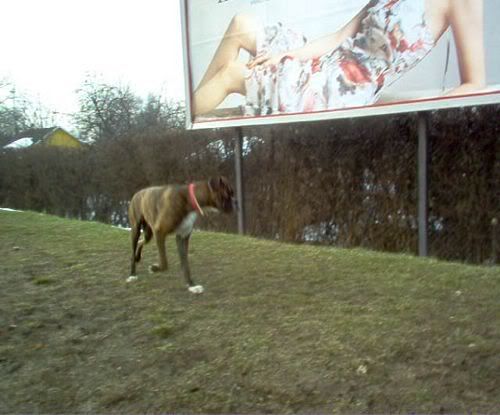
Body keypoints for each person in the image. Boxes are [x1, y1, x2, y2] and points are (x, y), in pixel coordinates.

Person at [192, 0, 485, 117]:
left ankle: (184, 122)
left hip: (340, 92)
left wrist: (415, 113)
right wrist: (284, 56)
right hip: (326, 63)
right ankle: (195, 112)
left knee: (231, 74)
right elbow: (339, 37)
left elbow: (474, 84)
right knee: (241, 24)